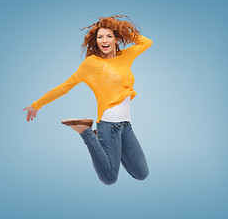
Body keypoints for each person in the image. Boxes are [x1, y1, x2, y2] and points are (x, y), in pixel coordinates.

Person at [23, 15, 153, 185]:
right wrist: (36, 105)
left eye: (109, 36)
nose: (104, 40)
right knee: (109, 178)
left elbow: (146, 43)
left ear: (115, 39)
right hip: (108, 125)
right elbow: (65, 86)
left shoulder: (125, 57)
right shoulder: (91, 64)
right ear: (96, 40)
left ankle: (101, 143)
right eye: (100, 37)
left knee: (141, 174)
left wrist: (121, 30)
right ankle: (86, 132)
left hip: (126, 126)